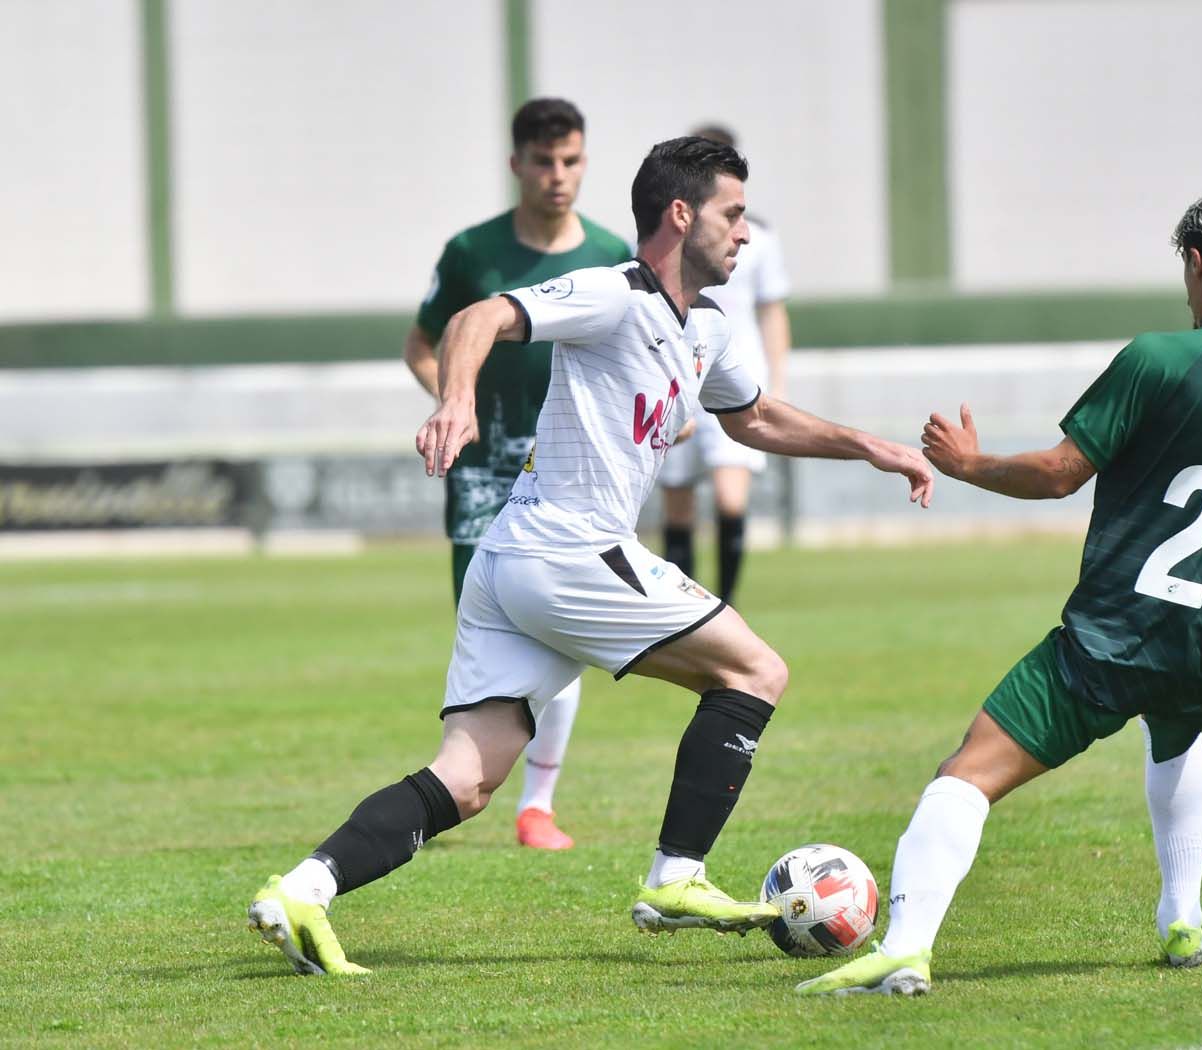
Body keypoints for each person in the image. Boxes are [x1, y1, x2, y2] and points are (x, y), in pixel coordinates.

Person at [246, 136, 934, 976]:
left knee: (467, 777)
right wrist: (457, 400)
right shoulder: (617, 295)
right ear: (681, 215)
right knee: (755, 672)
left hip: (515, 564)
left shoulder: (707, 328)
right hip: (569, 550)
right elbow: (478, 317)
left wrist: (871, 445)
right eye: (732, 213)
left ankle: (303, 890)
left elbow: (754, 419)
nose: (745, 233)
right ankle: (676, 878)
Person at [797, 188, 1202, 996]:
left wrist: (968, 465)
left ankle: (904, 945)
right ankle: (1182, 920)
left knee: (964, 773)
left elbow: (1057, 475)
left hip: (1118, 638)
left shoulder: (1159, 358)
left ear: (1195, 263)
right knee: (1176, 730)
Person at [404, 98, 630, 852]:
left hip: (572, 478)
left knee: (558, 630)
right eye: (542, 161)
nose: (557, 176)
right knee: (490, 637)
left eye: (569, 161)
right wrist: (454, 402)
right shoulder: (471, 251)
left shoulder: (609, 253)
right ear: (516, 165)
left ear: (584, 161)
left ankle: (537, 804)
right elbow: (421, 344)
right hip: (481, 474)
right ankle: (464, 778)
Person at [658, 125, 792, 605]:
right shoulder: (671, 229)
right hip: (679, 375)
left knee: (731, 499)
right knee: (678, 504)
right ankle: (680, 608)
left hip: (738, 375)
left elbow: (771, 310)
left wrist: (777, 381)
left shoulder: (758, 236)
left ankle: (725, 604)